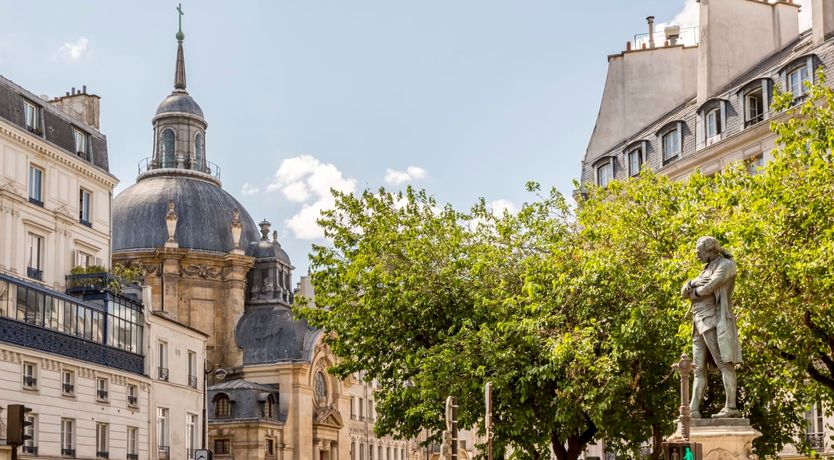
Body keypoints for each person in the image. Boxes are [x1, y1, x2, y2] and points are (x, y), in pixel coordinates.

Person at [681, 236, 742, 418]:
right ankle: (692, 411)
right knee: (698, 368)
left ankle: (731, 408)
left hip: (714, 320)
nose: (697, 255)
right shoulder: (705, 270)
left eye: (699, 252)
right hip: (698, 322)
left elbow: (710, 287)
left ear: (710, 250)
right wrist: (691, 284)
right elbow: (684, 291)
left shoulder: (726, 265)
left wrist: (695, 292)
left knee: (724, 363)